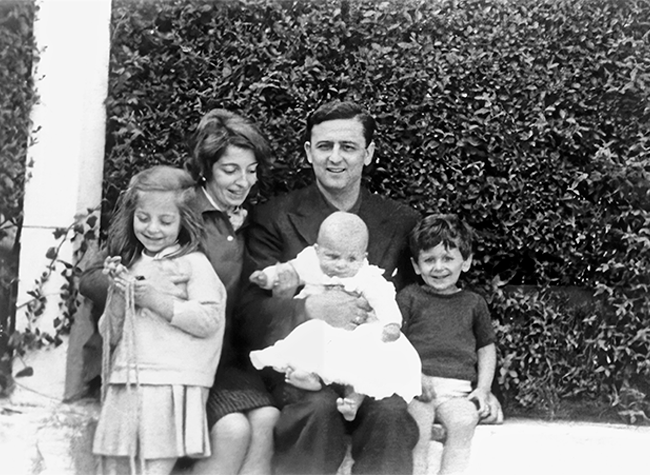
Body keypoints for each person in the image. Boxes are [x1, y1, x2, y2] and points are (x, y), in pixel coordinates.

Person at [80, 110, 279, 475]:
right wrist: (140, 286)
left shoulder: (240, 221)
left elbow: (237, 301)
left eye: (251, 170)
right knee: (233, 430)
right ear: (206, 168)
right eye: (230, 170)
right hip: (164, 360)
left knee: (267, 418)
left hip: (214, 352)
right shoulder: (172, 211)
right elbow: (92, 277)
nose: (243, 181)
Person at [237, 101, 420, 474]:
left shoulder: (401, 221)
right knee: (315, 408)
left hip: (368, 367)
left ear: (368, 154)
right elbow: (247, 314)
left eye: (348, 147)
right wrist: (307, 309)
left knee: (391, 412)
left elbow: (419, 302)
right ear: (308, 152)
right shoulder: (274, 218)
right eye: (324, 146)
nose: (335, 158)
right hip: (303, 365)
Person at [92, 166, 226, 475]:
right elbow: (109, 334)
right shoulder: (133, 263)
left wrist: (154, 299)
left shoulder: (193, 264)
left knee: (153, 468)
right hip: (127, 381)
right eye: (143, 218)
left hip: (168, 383)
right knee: (114, 465)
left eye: (166, 221)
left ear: (184, 222)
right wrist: (118, 293)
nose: (153, 228)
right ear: (131, 217)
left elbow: (209, 319)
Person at [248, 211, 421, 421]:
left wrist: (392, 323)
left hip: (353, 334)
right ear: (317, 251)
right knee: (305, 338)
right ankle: (307, 375)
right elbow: (288, 271)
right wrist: (267, 277)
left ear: (363, 257)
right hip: (321, 327)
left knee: (365, 363)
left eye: (351, 258)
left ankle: (353, 400)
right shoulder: (310, 263)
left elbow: (382, 299)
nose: (341, 265)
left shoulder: (366, 276)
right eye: (333, 256)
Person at [397, 214, 497, 475]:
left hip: (457, 392)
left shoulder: (474, 303)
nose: (438, 267)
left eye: (447, 258)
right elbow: (395, 343)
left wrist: (483, 389)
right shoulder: (409, 297)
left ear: (466, 262)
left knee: (464, 423)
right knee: (417, 430)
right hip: (417, 388)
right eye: (429, 260)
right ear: (416, 266)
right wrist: (413, 375)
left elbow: (486, 348)